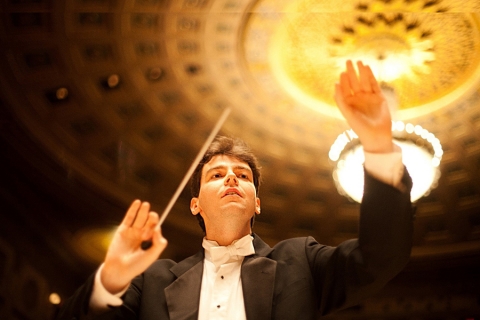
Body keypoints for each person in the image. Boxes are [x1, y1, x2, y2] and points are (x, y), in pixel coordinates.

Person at [58, 60, 414, 319]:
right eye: (216, 175)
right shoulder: (152, 280)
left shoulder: (300, 261)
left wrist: (379, 145)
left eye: (243, 176)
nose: (231, 179)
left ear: (256, 203)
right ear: (195, 205)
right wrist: (110, 280)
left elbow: (380, 258)